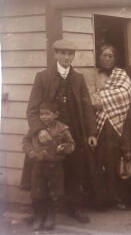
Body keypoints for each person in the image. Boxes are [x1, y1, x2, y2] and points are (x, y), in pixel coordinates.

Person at [25, 39, 97, 223]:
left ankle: (74, 207)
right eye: (62, 53)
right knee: (46, 171)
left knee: (75, 170)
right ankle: (44, 211)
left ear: (73, 56)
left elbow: (87, 107)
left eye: (70, 54)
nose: (66, 57)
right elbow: (32, 109)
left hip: (73, 132)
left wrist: (91, 133)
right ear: (55, 54)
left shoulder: (78, 78)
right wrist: (39, 130)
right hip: (48, 133)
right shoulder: (42, 77)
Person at [88, 45, 131, 210]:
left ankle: (117, 198)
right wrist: (103, 98)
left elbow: (126, 93)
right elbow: (91, 99)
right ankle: (101, 200)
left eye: (110, 56)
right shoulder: (94, 74)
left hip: (118, 125)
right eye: (104, 55)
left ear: (115, 59)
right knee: (100, 163)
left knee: (116, 162)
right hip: (99, 126)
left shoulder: (121, 74)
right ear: (99, 57)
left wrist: (103, 97)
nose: (107, 58)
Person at [22, 101, 75, 231]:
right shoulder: (36, 129)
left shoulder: (63, 129)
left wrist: (64, 147)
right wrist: (31, 152)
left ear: (56, 114)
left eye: (47, 114)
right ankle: (39, 216)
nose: (43, 117)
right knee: (37, 192)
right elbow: (26, 141)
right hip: (38, 165)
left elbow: (72, 145)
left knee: (53, 193)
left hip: (55, 167)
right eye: (41, 114)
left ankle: (51, 216)